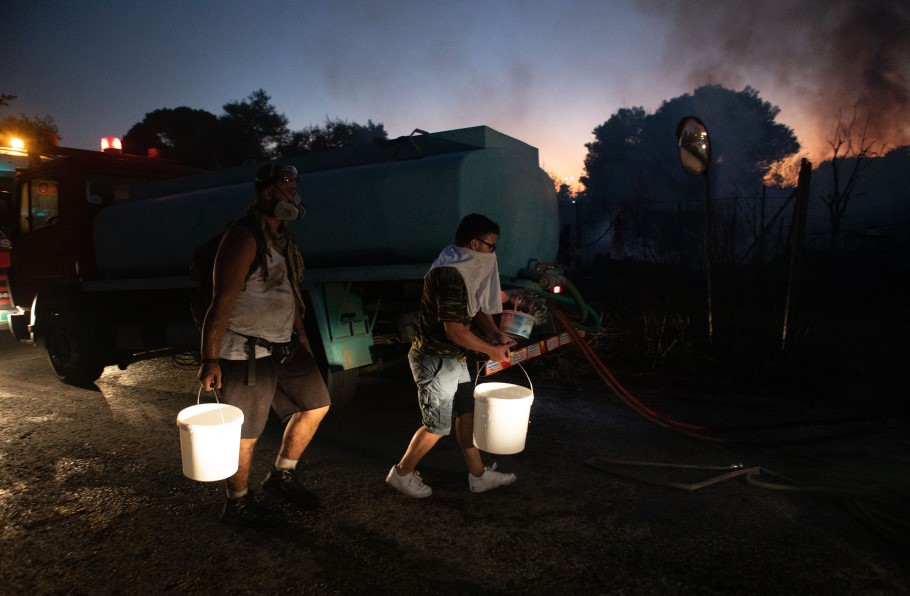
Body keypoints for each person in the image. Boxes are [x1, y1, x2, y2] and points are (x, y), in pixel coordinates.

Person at [198, 162, 331, 528]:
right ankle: (237, 502)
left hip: (284, 343)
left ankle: (281, 475)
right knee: (247, 433)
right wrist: (210, 359)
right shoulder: (244, 237)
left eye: (295, 186)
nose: (295, 194)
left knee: (317, 404)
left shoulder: (283, 238)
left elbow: (290, 292)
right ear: (268, 192)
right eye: (288, 188)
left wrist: (301, 335)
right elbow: (221, 301)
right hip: (244, 351)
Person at [386, 213, 518, 498]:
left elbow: (475, 306)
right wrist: (492, 350)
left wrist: (494, 333)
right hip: (436, 359)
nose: (493, 253)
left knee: (467, 414)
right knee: (436, 426)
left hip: (453, 358)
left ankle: (479, 475)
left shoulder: (462, 265)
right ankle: (402, 474)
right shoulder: (449, 273)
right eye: (490, 246)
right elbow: (455, 330)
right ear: (475, 242)